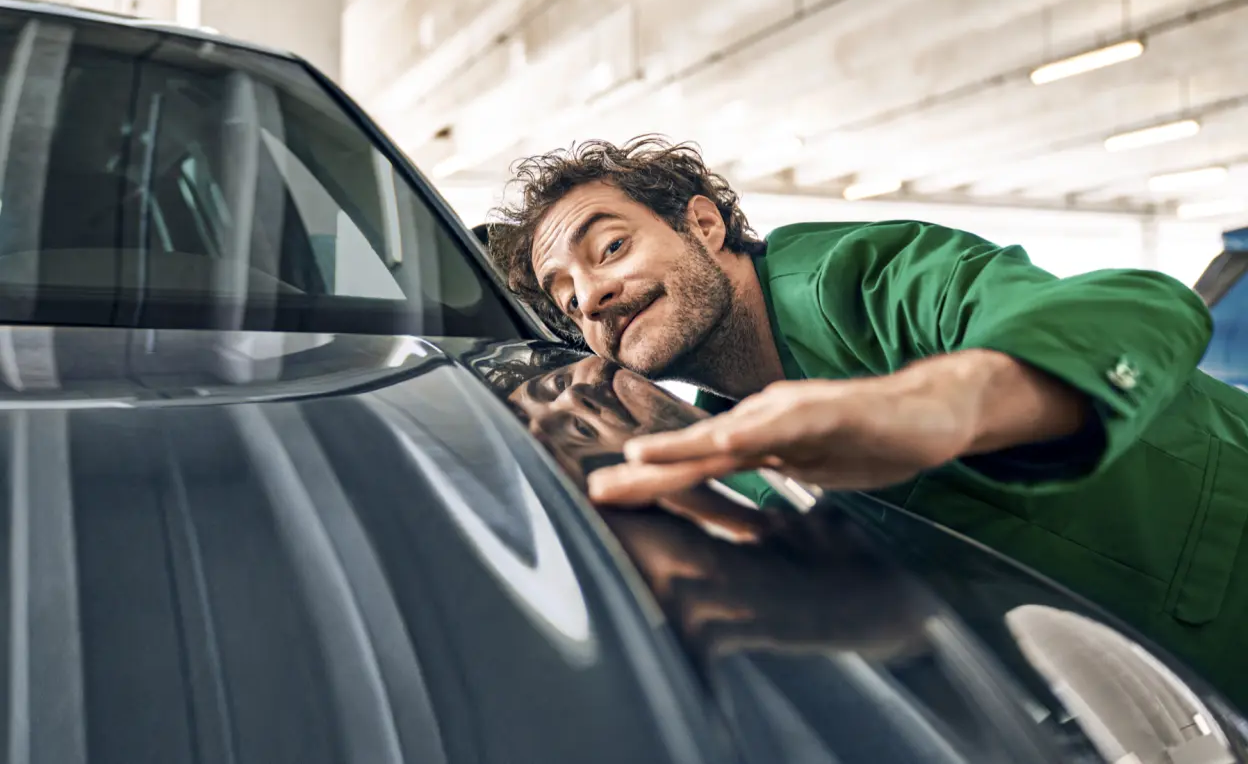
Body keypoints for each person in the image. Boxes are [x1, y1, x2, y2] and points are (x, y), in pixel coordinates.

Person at [486, 135, 1248, 704]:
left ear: (704, 226)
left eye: (610, 247)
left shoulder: (867, 278)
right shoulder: (723, 446)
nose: (589, 296)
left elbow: (1140, 307)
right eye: (563, 296)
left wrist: (932, 403)